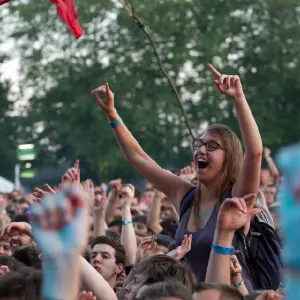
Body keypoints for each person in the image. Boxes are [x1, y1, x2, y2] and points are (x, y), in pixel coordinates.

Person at [91, 64, 263, 283]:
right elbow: (140, 159)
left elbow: (255, 153)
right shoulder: (186, 196)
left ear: (229, 158)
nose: (201, 150)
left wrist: (238, 98)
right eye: (198, 144)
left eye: (211, 146)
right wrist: (113, 115)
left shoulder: (236, 199)